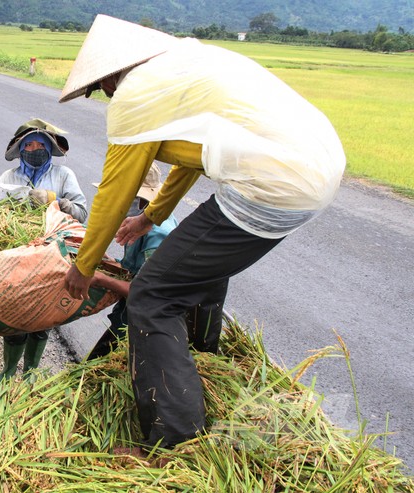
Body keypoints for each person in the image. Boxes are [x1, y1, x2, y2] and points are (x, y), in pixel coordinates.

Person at [61, 15, 345, 449]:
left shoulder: (136, 94)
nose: (105, 96)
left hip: (270, 184)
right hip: (314, 173)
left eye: (102, 88)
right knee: (198, 266)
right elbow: (189, 159)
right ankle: (200, 356)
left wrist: (82, 267)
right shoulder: (187, 65)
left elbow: (115, 191)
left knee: (152, 296)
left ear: (113, 74)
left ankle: (174, 438)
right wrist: (151, 217)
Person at [0, 118, 88, 381]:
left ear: (49, 148)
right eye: (29, 144)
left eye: (40, 144)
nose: (34, 149)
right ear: (20, 149)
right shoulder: (9, 177)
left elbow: (82, 214)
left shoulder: (63, 176)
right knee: (14, 316)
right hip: (16, 259)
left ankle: (31, 372)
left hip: (52, 258)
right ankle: (8, 370)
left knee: (43, 318)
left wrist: (56, 201)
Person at [84, 163, 179, 361]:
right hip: (128, 315)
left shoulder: (158, 236)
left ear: (142, 202)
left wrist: (102, 279)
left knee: (98, 369)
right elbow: (134, 268)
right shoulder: (138, 224)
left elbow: (146, 292)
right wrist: (112, 265)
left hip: (145, 325)